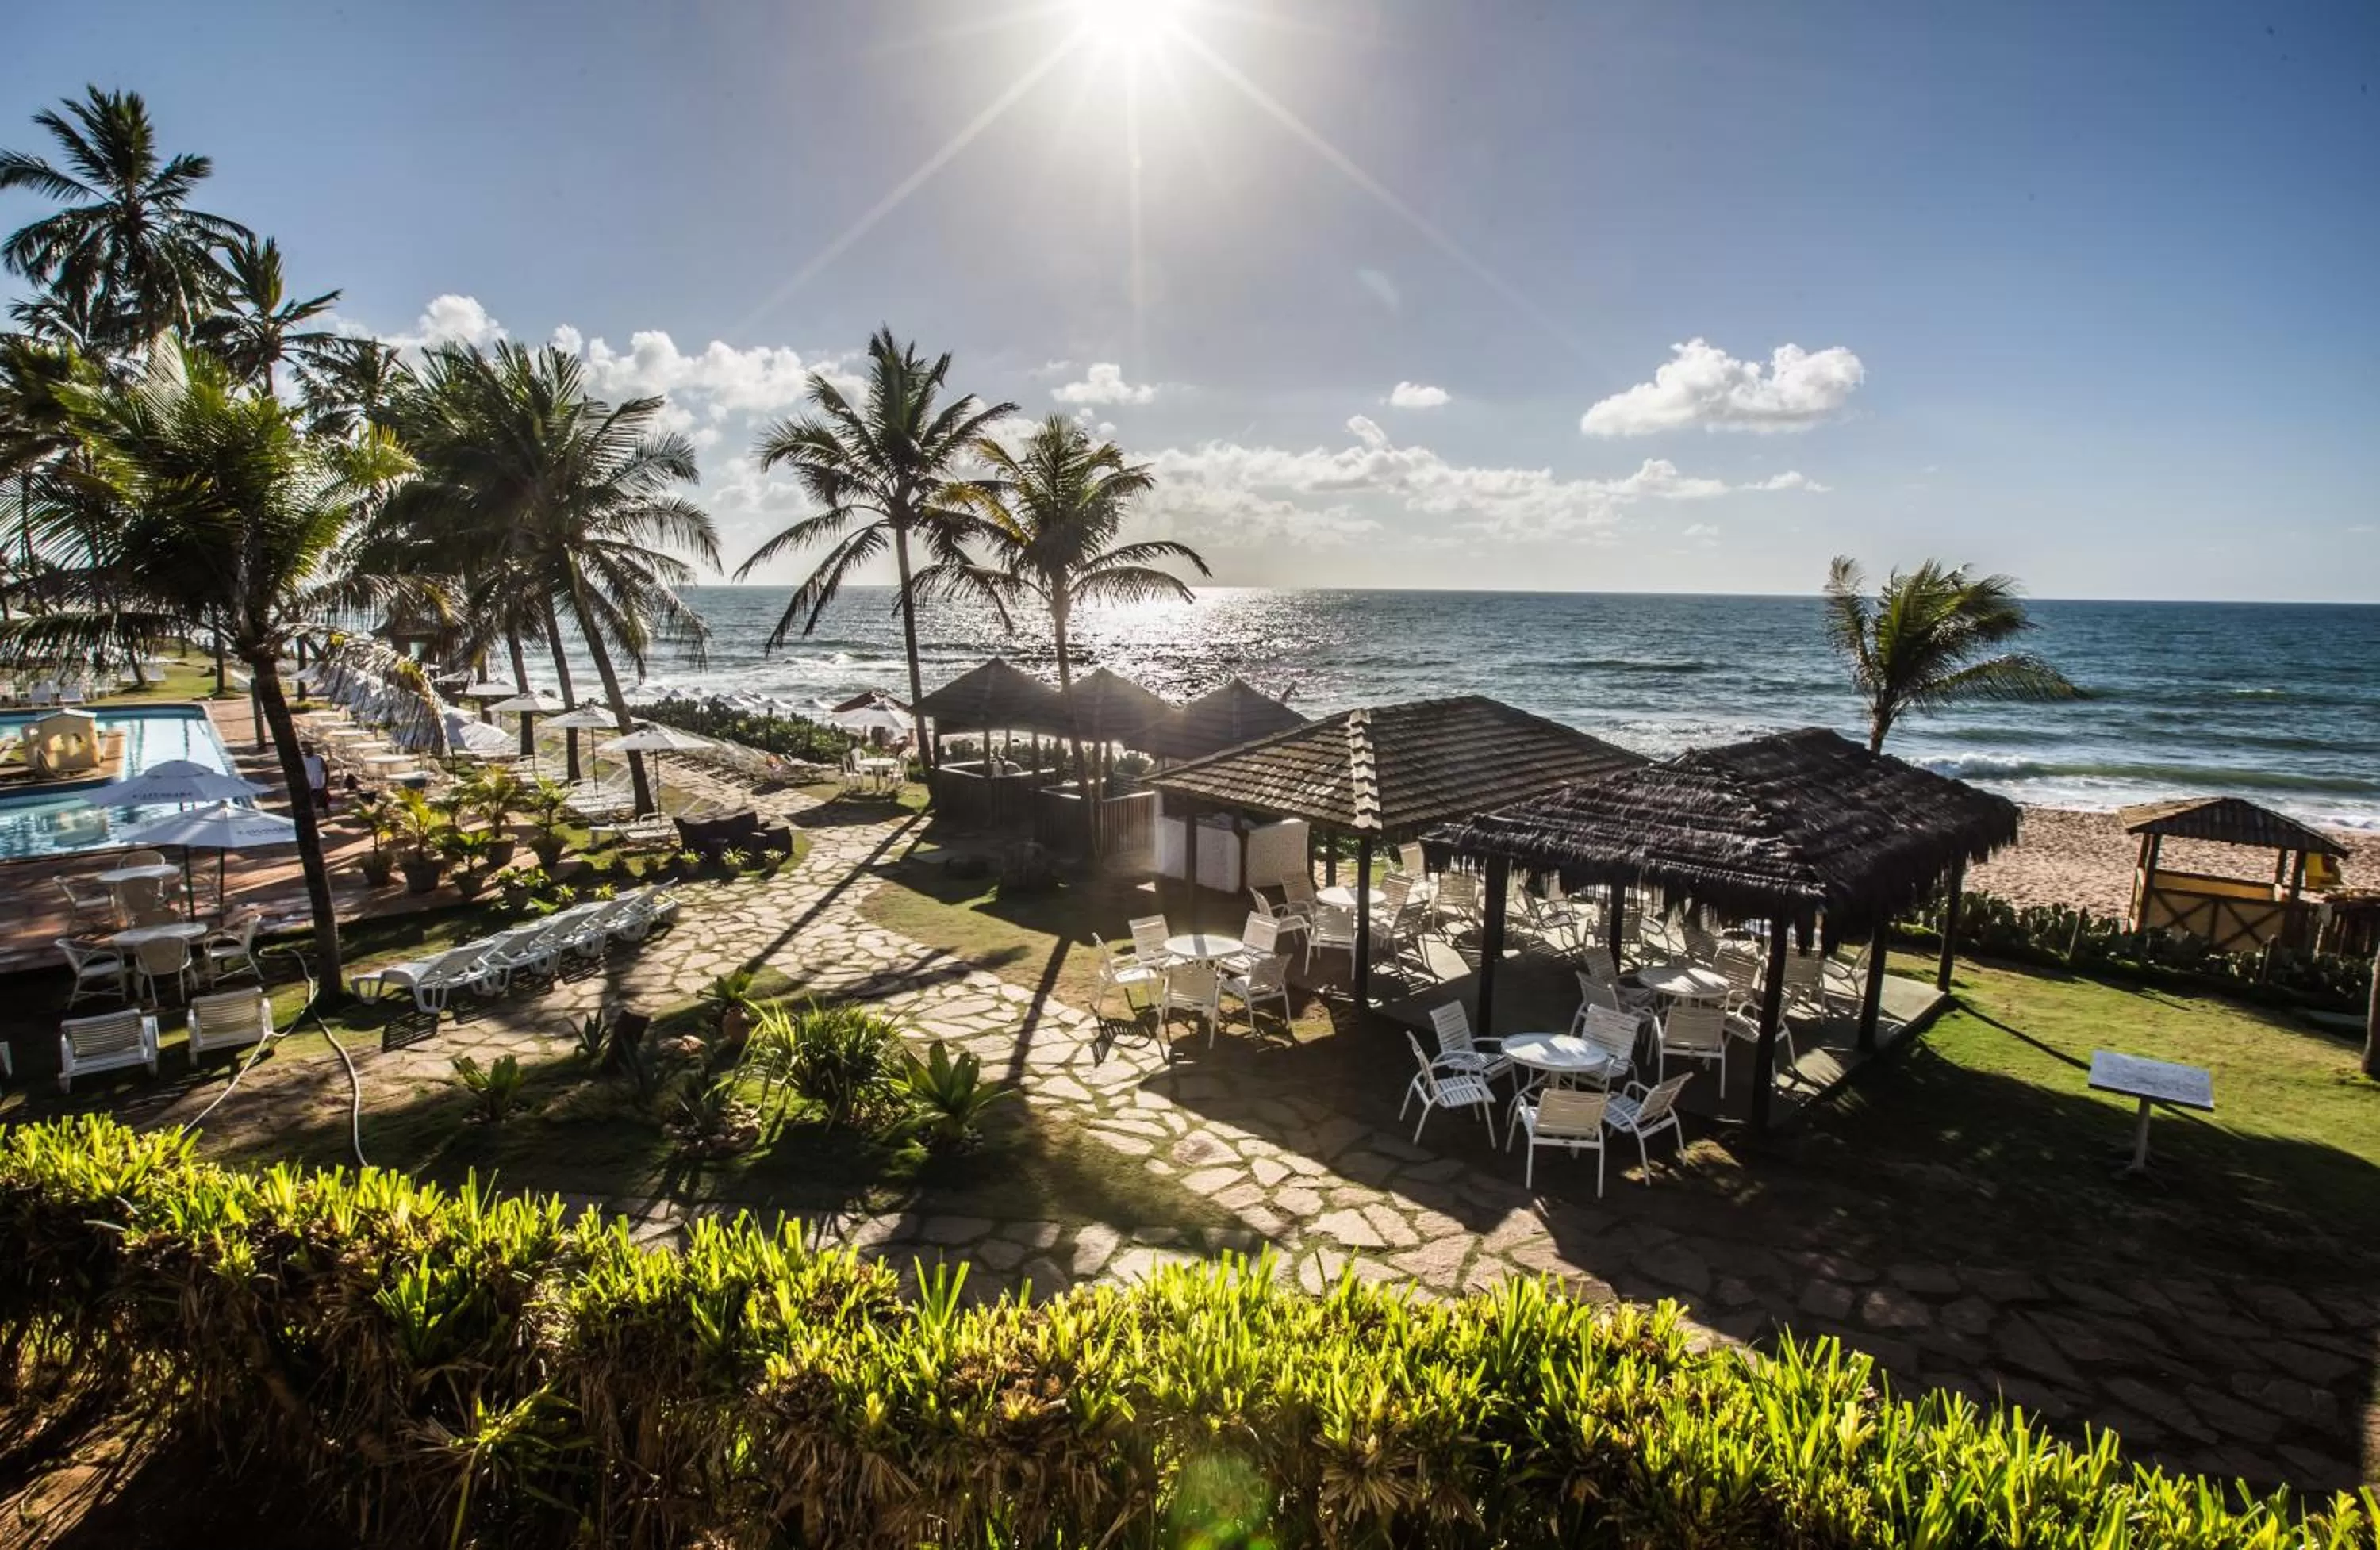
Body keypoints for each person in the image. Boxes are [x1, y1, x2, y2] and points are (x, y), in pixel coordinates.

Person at [302, 744, 330, 814]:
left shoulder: (318, 758)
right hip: (309, 786)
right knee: (311, 805)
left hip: (319, 785)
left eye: (309, 749)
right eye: (306, 750)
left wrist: (326, 784)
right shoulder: (302, 760)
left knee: (324, 804)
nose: (308, 751)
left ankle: (327, 815)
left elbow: (326, 770)